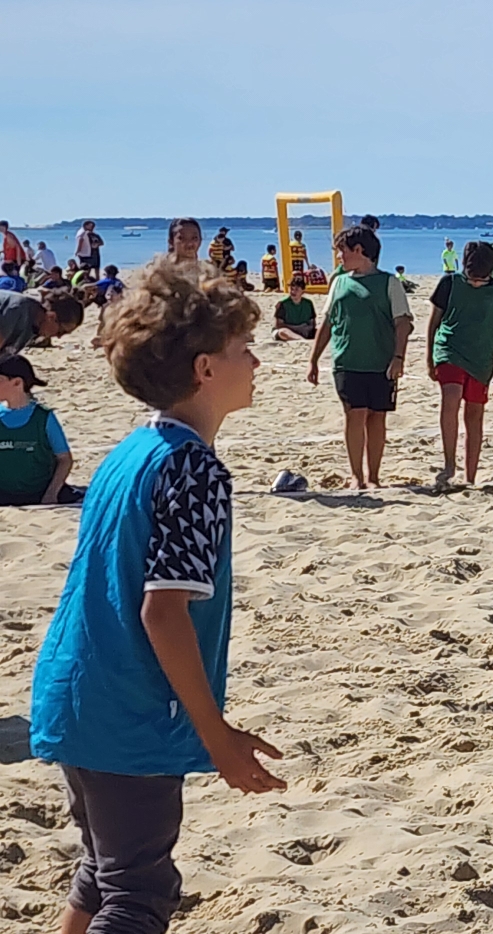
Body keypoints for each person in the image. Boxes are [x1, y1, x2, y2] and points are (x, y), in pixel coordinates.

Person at [30, 259, 283, 934]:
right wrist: (215, 735)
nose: (255, 362)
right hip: (128, 712)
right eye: (242, 349)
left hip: (74, 694)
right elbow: (162, 611)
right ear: (204, 369)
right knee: (139, 895)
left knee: (104, 871)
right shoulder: (193, 467)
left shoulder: (130, 451)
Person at [306, 227, 414, 489]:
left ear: (359, 250)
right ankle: (357, 476)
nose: (339, 256)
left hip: (381, 362)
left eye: (342, 250)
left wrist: (399, 357)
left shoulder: (389, 282)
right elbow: (328, 322)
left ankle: (373, 476)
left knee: (377, 417)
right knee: (355, 415)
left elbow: (403, 323)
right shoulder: (339, 282)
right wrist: (313, 359)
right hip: (347, 361)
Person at [426, 241, 493, 485]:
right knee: (450, 400)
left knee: (475, 415)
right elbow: (433, 322)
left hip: (482, 359)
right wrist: (429, 357)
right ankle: (449, 465)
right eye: (472, 277)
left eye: (481, 279)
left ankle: (470, 476)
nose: (476, 283)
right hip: (449, 350)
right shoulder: (449, 283)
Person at [0, 354, 81, 505]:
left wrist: (51, 494)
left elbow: (64, 459)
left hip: (40, 492)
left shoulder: (44, 417)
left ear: (17, 382)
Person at [1, 288, 84, 356]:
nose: (59, 337)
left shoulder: (33, 327)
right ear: (51, 317)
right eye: (61, 331)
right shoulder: (17, 310)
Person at [273, 276, 316, 342]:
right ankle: (301, 340)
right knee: (283, 332)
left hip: (304, 330)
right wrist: (297, 328)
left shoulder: (308, 303)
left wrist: (305, 328)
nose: (293, 291)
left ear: (302, 290)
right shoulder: (283, 303)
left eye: (296, 289)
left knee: (321, 330)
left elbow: (312, 323)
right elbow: (278, 325)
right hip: (288, 330)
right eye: (291, 289)